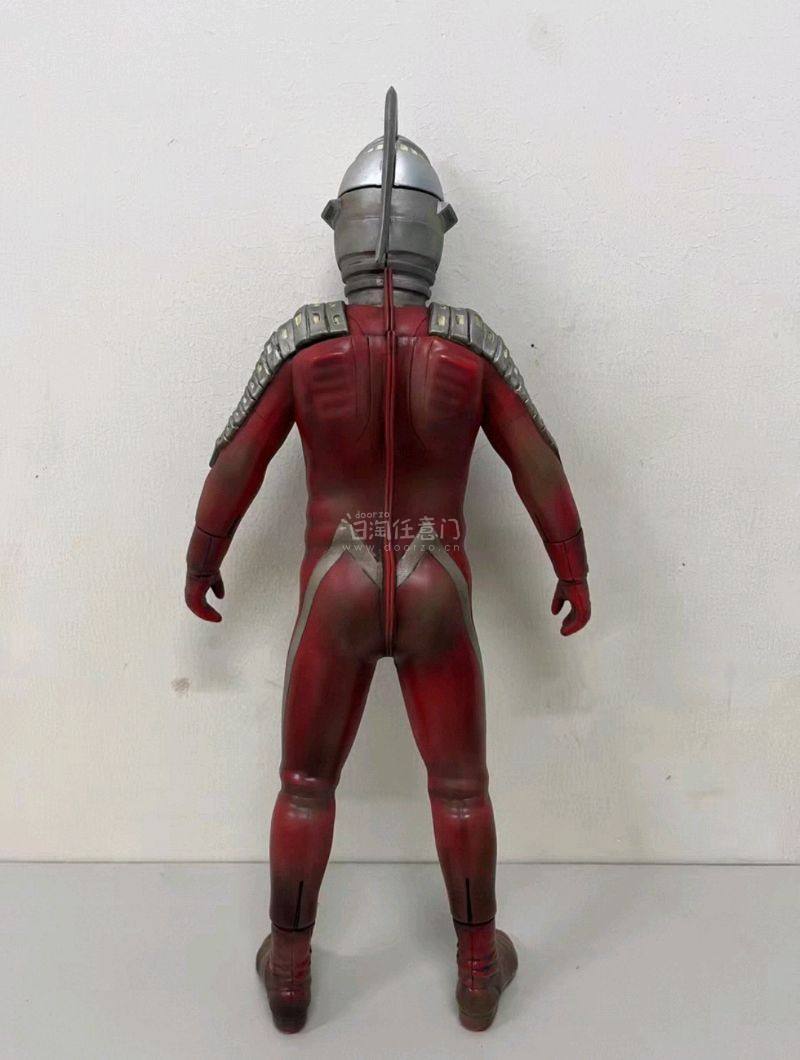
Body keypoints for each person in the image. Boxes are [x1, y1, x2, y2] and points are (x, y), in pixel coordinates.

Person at [185, 89, 590, 1034]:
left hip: (337, 575)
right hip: (435, 570)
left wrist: (203, 556)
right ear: (433, 234)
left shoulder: (307, 342)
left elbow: (235, 463)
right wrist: (571, 567)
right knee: (461, 787)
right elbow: (540, 463)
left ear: (345, 228)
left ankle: (291, 967)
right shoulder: (469, 347)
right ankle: (478, 966)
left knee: (304, 786)